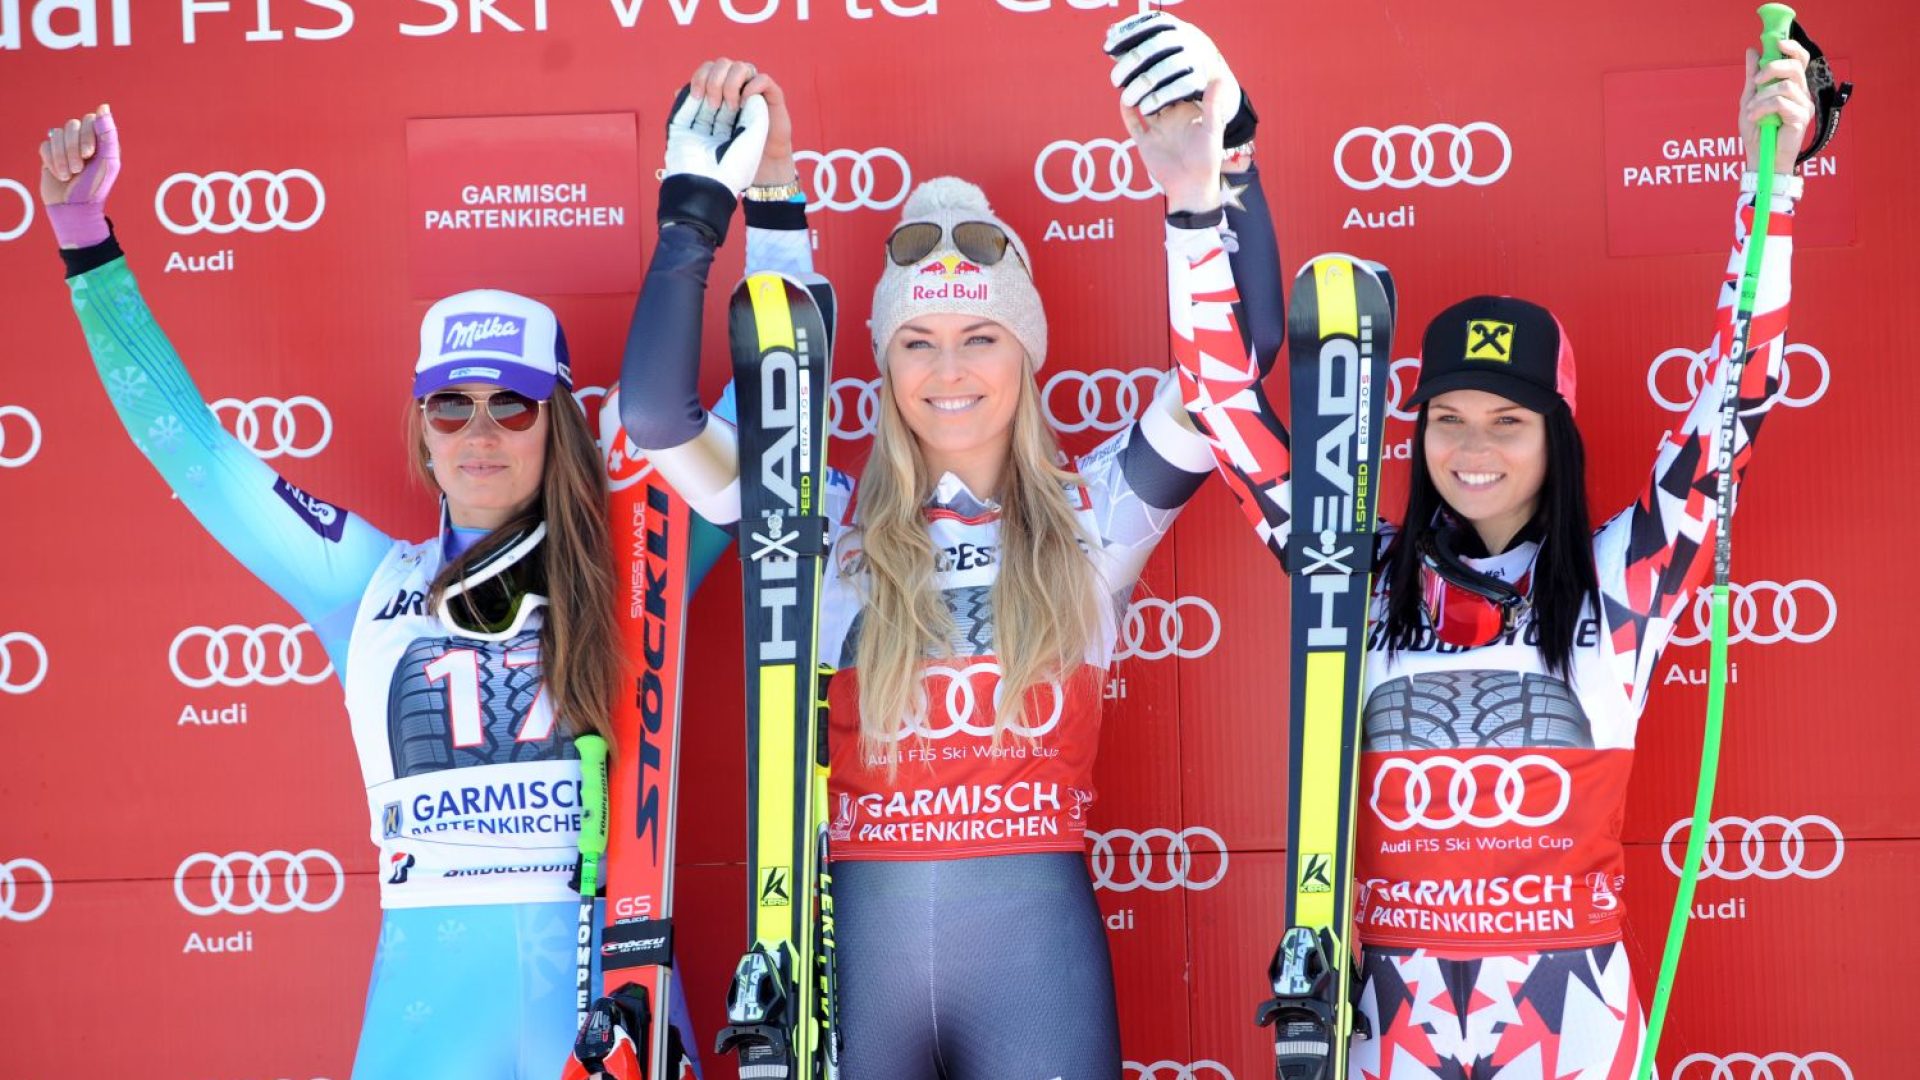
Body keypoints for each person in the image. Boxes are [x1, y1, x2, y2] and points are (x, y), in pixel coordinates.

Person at [619, 21, 1272, 1078]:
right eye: (917, 342)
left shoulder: (1090, 513)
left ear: (1025, 353)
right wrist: (711, 208)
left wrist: (1220, 171)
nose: (949, 369)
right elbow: (656, 414)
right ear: (884, 363)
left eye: (981, 338)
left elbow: (1235, 383)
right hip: (858, 960)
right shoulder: (816, 523)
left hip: (1036, 966)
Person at [1175, 39, 1817, 1079]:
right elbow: (1220, 410)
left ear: (1555, 438)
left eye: (1509, 421)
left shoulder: (1621, 585)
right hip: (1388, 1034)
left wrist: (1773, 187)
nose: (1473, 448)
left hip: (1573, 1037)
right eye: (1448, 418)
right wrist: (1197, 201)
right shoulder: (1356, 579)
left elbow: (1736, 400)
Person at [39, 104, 704, 1079]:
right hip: (430, 1012)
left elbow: (775, 433)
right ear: (421, 427)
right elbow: (196, 452)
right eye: (451, 403)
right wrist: (83, 239)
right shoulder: (364, 580)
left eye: (513, 403)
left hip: (612, 986)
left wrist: (744, 200)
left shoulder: (641, 555)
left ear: (557, 418)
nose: (481, 432)